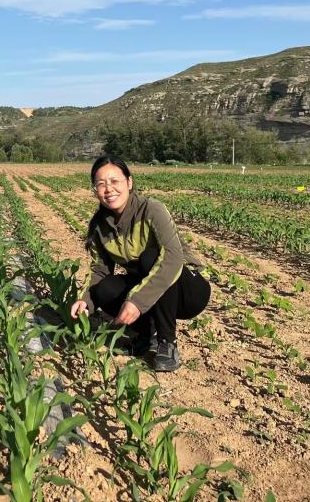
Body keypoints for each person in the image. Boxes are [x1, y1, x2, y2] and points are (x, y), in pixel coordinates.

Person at [70, 156, 210, 372]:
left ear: (129, 182)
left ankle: (167, 342)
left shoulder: (152, 210)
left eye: (114, 181)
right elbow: (100, 270)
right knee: (104, 289)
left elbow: (173, 257)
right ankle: (145, 335)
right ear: (95, 190)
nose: (108, 189)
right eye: (101, 184)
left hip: (188, 290)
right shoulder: (100, 227)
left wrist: (137, 301)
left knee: (151, 258)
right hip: (150, 288)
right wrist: (85, 301)